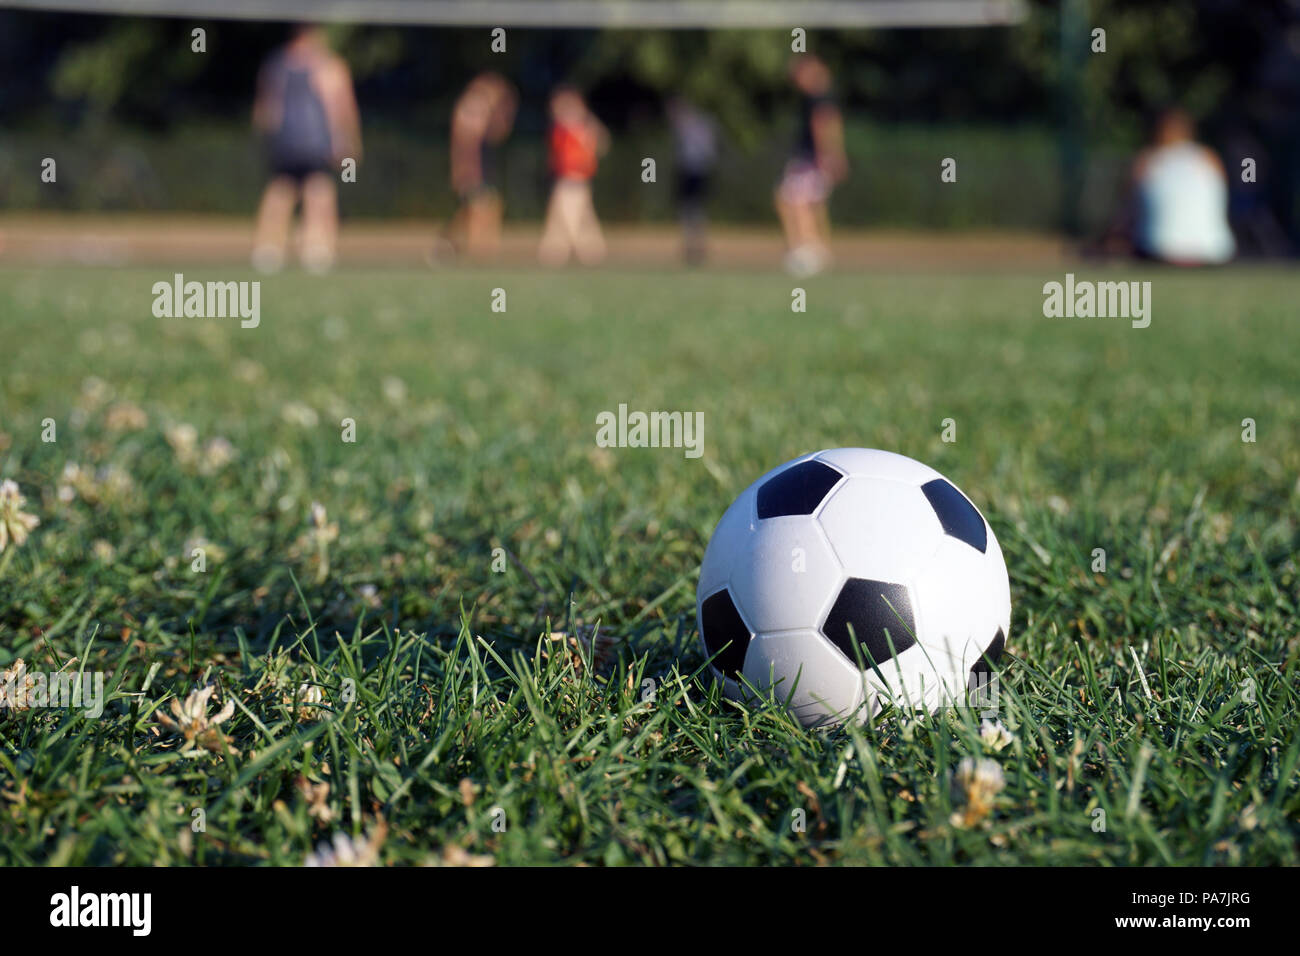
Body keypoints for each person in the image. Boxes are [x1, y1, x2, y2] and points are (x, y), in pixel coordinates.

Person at [251, 24, 362, 274]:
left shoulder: (276, 65)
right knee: (319, 191)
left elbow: (266, 110)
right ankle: (317, 249)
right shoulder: (328, 65)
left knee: (280, 190)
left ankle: (267, 250)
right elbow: (340, 105)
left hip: (284, 141)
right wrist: (348, 140)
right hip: (316, 142)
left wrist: (268, 138)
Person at [1130, 108, 1236, 265]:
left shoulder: (1146, 161)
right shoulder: (1209, 157)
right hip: (1215, 251)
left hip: (1159, 251)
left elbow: (1130, 212)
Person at [774, 54, 848, 277]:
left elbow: (823, 126)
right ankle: (819, 251)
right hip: (812, 158)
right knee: (811, 204)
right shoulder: (821, 97)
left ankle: (807, 252)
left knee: (794, 202)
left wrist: (828, 155)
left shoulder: (818, 98)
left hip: (809, 159)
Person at [440, 73, 517, 261]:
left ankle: (452, 244)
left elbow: (498, 135)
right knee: (478, 207)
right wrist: (464, 170)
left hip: (484, 163)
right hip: (473, 165)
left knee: (483, 205)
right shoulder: (468, 111)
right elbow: (464, 147)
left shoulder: (485, 113)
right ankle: (477, 250)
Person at [539, 86, 608, 267]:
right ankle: (556, 252)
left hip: (576, 179)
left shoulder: (582, 130)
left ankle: (588, 253)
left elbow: (601, 143)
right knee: (563, 218)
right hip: (566, 179)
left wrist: (584, 119)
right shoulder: (563, 131)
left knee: (571, 219)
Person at [667, 97, 719, 265]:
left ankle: (697, 246)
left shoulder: (695, 125)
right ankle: (690, 245)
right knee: (687, 210)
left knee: (694, 210)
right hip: (687, 171)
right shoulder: (686, 126)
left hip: (696, 172)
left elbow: (707, 151)